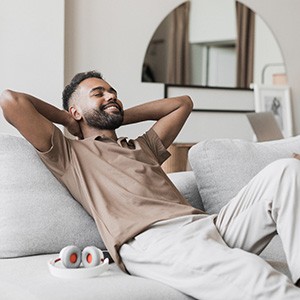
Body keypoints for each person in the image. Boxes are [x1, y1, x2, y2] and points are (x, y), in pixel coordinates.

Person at [1, 70, 300, 299]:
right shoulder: (69, 154)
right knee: (256, 275)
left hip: (208, 226)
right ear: (76, 110)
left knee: (286, 171)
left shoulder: (141, 147)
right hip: (154, 241)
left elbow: (182, 104)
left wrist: (112, 115)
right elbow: (11, 101)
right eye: (98, 93)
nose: (111, 95)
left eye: (113, 92)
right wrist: (69, 121)